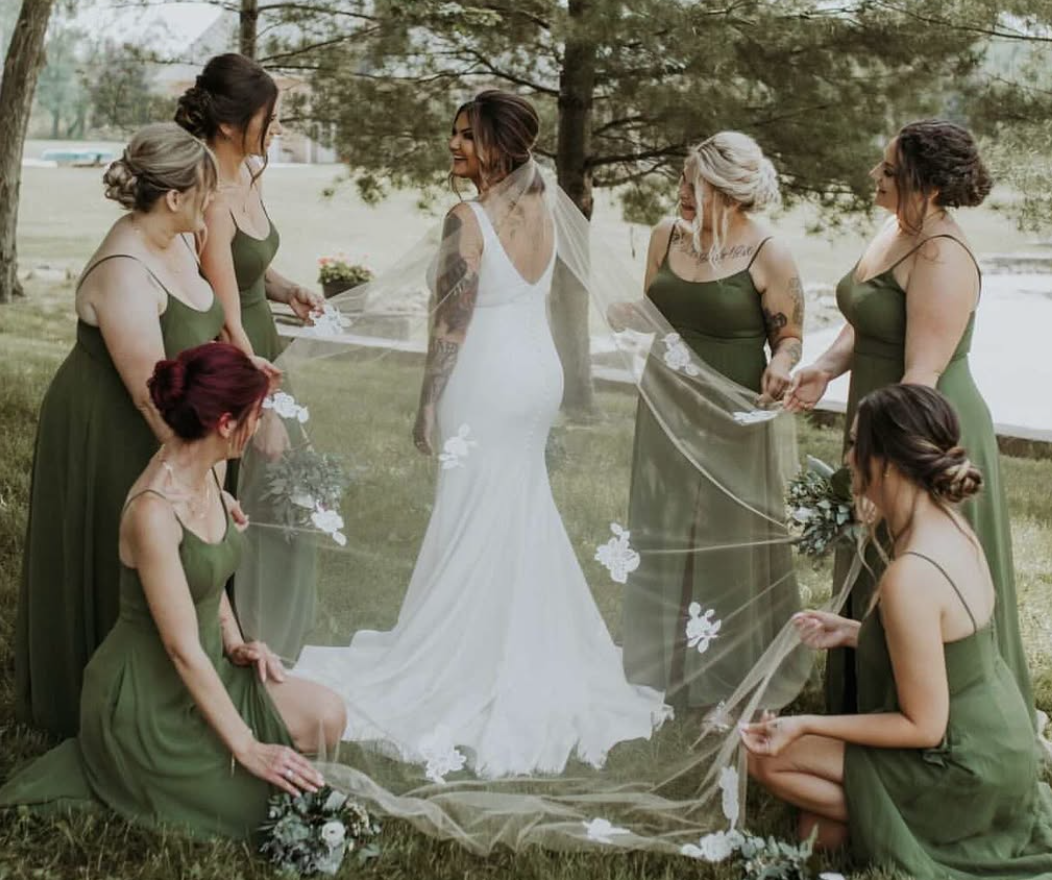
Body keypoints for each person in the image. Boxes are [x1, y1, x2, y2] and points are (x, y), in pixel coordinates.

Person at [289, 90, 670, 777]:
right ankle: (526, 644)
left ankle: (462, 654)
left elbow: (450, 324)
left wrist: (427, 403)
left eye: (468, 136)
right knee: (518, 507)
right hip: (538, 375)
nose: (454, 145)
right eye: (454, 133)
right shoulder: (548, 204)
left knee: (471, 510)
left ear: (498, 144)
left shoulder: (464, 217)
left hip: (486, 379)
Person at [0, 343, 347, 842]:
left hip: (213, 667)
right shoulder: (153, 513)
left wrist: (235, 641)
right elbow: (181, 650)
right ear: (225, 422)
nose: (260, 426)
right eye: (256, 415)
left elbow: (210, 572)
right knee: (273, 812)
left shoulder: (213, 471)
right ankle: (144, 768)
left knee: (329, 717)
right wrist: (248, 748)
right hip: (147, 699)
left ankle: (227, 756)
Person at [742, 384, 1052, 879]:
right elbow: (947, 649)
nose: (845, 456)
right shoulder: (953, 525)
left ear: (884, 461)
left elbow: (923, 726)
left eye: (853, 443)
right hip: (1001, 743)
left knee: (765, 761)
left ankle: (919, 823)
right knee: (811, 829)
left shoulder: (911, 574)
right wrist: (851, 632)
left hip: (961, 765)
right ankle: (876, 814)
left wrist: (804, 724)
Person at [784, 119, 1032, 717]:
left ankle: (928, 712)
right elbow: (863, 319)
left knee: (910, 555)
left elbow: (921, 377)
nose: (877, 175)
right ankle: (864, 695)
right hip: (877, 414)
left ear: (924, 182)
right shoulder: (894, 227)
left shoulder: (943, 254)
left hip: (918, 427)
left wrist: (883, 464)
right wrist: (822, 368)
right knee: (870, 557)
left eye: (890, 170)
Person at [15, 123, 226, 737]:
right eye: (206, 188)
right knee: (121, 536)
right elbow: (148, 396)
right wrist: (201, 481)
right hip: (112, 422)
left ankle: (171, 683)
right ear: (175, 197)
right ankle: (104, 700)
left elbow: (199, 327)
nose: (214, 197)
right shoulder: (125, 270)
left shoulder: (180, 236)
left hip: (170, 416)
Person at [618, 133, 804, 706]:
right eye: (681, 180)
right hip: (665, 406)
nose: (682, 193)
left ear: (728, 190)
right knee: (662, 523)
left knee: (728, 535)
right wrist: (623, 312)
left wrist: (784, 366)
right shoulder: (663, 237)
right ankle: (659, 663)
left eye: (693, 183)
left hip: (732, 412)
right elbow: (651, 313)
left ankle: (728, 668)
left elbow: (791, 337)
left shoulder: (766, 252)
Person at [175, 53, 323, 657]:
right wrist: (260, 405)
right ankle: (234, 634)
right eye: (270, 117)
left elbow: (249, 265)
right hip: (238, 354)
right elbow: (225, 312)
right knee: (247, 491)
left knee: (277, 493)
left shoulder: (249, 178)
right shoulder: (210, 192)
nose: (278, 127)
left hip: (265, 337)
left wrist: (288, 289)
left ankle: (265, 627)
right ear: (234, 124)